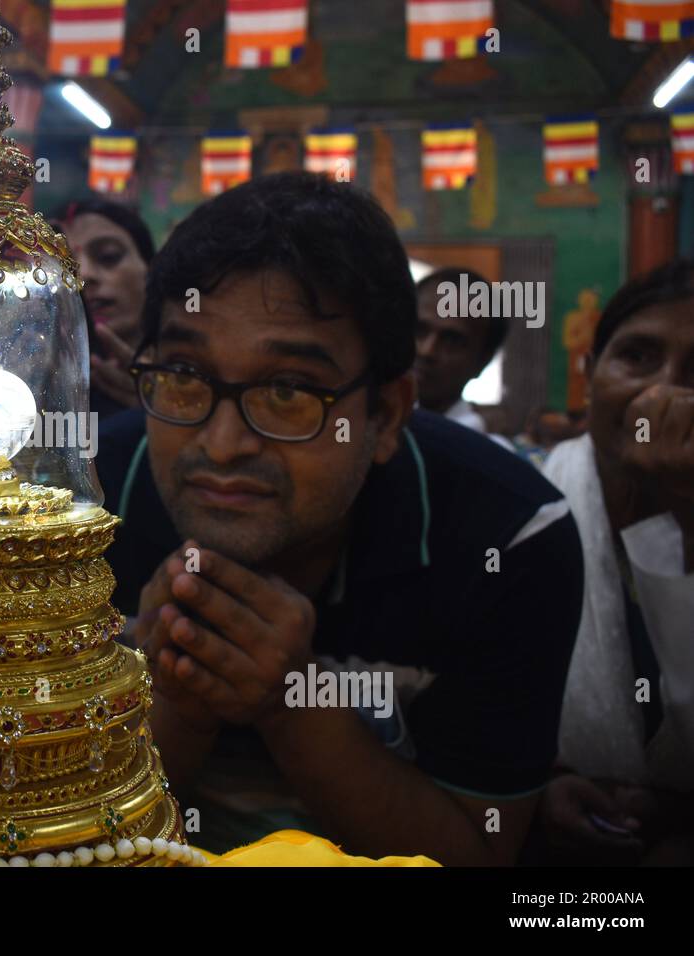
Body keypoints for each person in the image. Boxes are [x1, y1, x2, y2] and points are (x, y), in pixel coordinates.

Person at [96, 171, 584, 865]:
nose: (223, 445)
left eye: (289, 390)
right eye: (183, 374)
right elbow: (43, 836)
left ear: (384, 415)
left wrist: (290, 701)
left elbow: (480, 853)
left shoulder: (505, 536)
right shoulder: (87, 500)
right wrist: (174, 698)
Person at [536, 259, 694, 865]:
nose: (666, 390)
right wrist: (535, 790)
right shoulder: (520, 509)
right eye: (639, 356)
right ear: (588, 372)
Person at [56, 197, 155, 415]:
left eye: (108, 256)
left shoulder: (190, 372)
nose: (83, 275)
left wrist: (164, 409)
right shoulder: (36, 386)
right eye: (65, 267)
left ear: (150, 269)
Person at [413, 267, 512, 447]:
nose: (426, 351)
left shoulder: (490, 455)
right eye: (418, 330)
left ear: (483, 360)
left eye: (451, 341)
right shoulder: (357, 425)